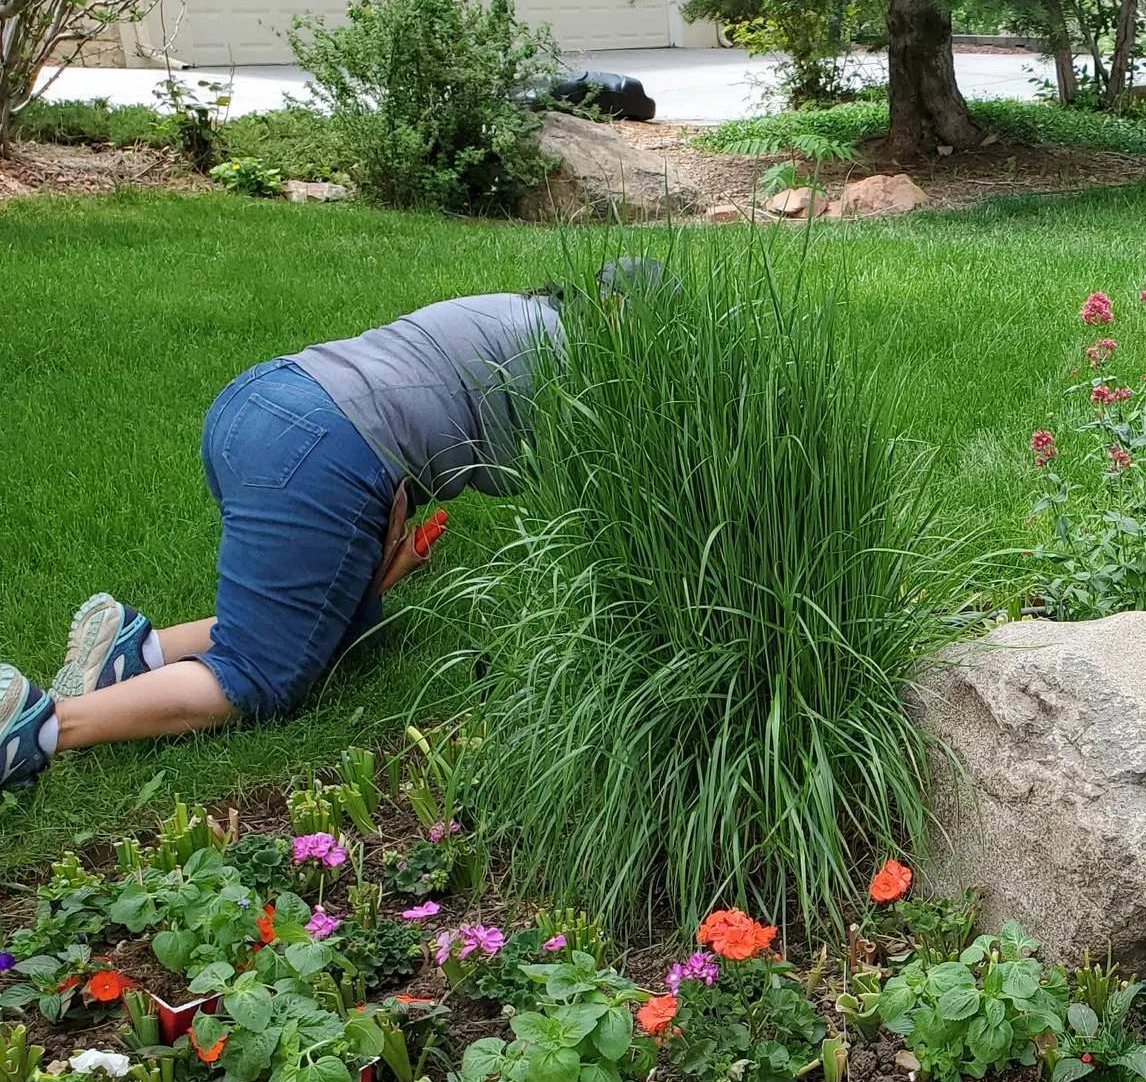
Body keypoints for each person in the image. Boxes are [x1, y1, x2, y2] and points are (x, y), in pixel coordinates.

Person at [0, 259, 662, 790]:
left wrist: (371, 559)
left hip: (259, 401)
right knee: (261, 673)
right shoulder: (578, 366)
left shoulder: (517, 313)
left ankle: (134, 652)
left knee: (343, 620)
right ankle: (43, 726)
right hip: (322, 449)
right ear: (622, 316)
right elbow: (586, 525)